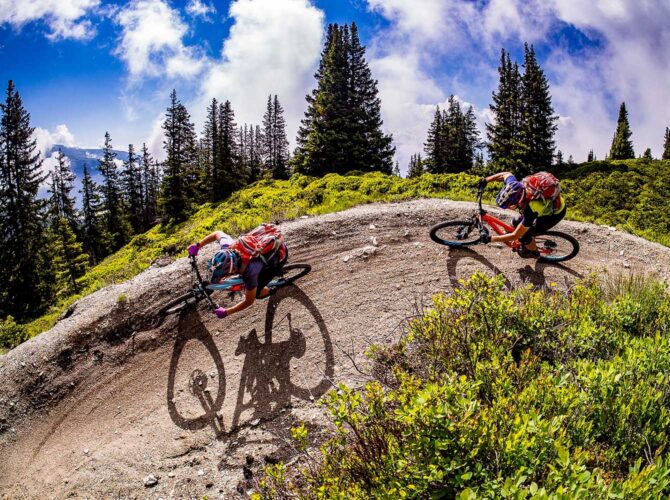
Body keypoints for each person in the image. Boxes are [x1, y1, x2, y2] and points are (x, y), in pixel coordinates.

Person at [187, 227, 288, 318]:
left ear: (233, 269)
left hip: (279, 256)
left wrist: (227, 312)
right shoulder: (228, 247)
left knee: (257, 293)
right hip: (263, 246)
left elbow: (249, 301)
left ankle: (270, 290)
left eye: (225, 275)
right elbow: (217, 233)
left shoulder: (250, 272)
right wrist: (197, 246)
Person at [479, 171, 566, 258]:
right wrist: (486, 180)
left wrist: (490, 239)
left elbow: (515, 235)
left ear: (518, 202)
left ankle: (534, 252)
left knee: (525, 236)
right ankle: (522, 240)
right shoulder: (515, 187)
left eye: (510, 206)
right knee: (515, 221)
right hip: (543, 206)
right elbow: (505, 174)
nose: (509, 208)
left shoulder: (531, 209)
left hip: (553, 215)